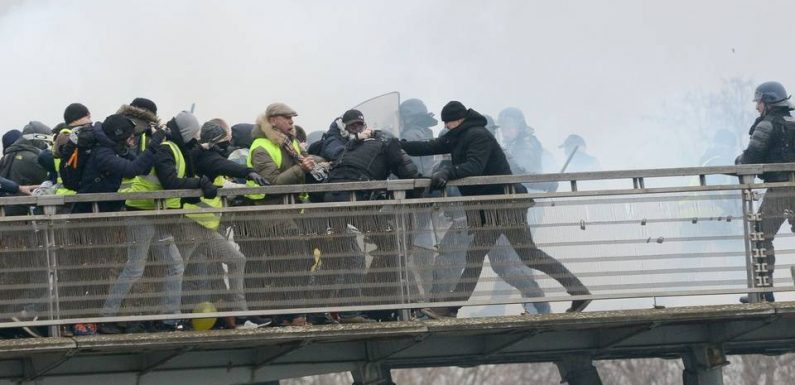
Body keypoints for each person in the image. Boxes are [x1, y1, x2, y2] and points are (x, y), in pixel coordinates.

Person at [401, 101, 591, 318]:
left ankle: (451, 308)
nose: (447, 126)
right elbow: (429, 146)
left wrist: (446, 172)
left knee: (515, 255)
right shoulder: (460, 137)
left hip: (502, 206)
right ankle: (578, 292)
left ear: (459, 120)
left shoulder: (477, 135)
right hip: (495, 207)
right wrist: (398, 144)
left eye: (449, 122)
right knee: (508, 255)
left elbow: (474, 166)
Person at [100, 111, 216, 333]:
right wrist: (199, 182)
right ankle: (108, 316)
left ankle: (169, 319)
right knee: (135, 268)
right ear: (186, 133)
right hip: (143, 213)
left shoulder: (173, 148)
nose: (195, 139)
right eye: (193, 134)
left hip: (157, 214)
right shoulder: (167, 148)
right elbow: (170, 182)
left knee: (174, 265)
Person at [322, 109, 418, 322]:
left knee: (350, 256)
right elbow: (408, 172)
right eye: (352, 126)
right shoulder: (376, 143)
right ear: (344, 127)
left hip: (336, 200)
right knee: (390, 245)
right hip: (355, 202)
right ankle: (368, 304)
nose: (357, 129)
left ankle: (357, 307)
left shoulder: (354, 145)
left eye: (360, 125)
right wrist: (423, 190)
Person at [243, 103, 325, 326]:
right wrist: (302, 169)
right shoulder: (260, 146)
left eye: (292, 117)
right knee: (295, 260)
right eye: (286, 117)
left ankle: (286, 314)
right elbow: (273, 183)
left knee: (298, 260)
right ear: (272, 120)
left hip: (290, 211)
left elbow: (306, 158)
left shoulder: (291, 143)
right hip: (269, 213)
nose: (291, 121)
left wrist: (321, 162)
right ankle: (291, 314)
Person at [735, 81, 795, 303]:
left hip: (780, 192)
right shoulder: (793, 122)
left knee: (761, 235)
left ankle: (764, 292)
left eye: (758, 102)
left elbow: (750, 159)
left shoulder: (767, 125)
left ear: (768, 101)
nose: (756, 107)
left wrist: (737, 163)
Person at [0, 121, 52, 215]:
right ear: (39, 139)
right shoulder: (34, 158)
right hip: (26, 213)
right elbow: (49, 183)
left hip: (7, 211)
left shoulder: (7, 156)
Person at [399, 98, 438, 177]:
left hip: (416, 183)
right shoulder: (426, 132)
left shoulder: (410, 135)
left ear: (409, 118)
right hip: (428, 179)